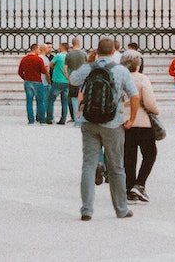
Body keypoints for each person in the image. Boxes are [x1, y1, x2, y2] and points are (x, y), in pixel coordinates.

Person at [68, 37, 138, 222]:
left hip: (89, 121)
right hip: (113, 122)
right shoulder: (121, 70)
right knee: (116, 167)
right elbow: (134, 95)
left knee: (89, 165)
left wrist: (89, 61)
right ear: (114, 52)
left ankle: (87, 210)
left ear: (96, 51)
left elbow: (73, 80)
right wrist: (131, 118)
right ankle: (121, 209)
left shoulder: (90, 67)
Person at [121, 53, 158, 204]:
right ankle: (140, 183)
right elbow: (149, 101)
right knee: (150, 154)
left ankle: (129, 190)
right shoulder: (142, 79)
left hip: (123, 120)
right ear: (138, 65)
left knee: (129, 157)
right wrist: (155, 110)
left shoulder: (119, 78)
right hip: (142, 121)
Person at [18, 43, 48, 125]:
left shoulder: (24, 59)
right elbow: (44, 71)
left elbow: (20, 72)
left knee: (29, 102)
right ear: (35, 49)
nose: (39, 51)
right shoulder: (38, 59)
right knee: (40, 102)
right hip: (37, 81)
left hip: (27, 82)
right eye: (38, 49)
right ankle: (42, 120)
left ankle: (31, 120)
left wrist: (25, 78)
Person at [64, 39, 87, 123]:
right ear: (79, 43)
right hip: (83, 78)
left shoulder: (69, 54)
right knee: (83, 98)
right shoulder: (84, 54)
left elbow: (65, 69)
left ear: (72, 44)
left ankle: (76, 120)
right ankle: (82, 118)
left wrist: (68, 77)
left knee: (73, 99)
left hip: (73, 78)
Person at [49, 42, 71, 125]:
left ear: (62, 47)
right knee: (64, 101)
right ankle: (63, 119)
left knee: (51, 100)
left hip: (58, 80)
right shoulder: (69, 56)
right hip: (67, 81)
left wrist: (57, 68)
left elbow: (51, 65)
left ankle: (50, 118)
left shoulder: (58, 56)